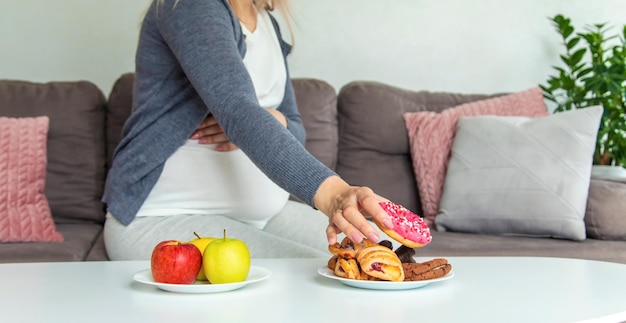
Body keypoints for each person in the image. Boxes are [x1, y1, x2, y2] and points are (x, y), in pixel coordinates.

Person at [102, 0, 394, 260]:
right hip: (163, 217)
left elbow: (295, 127)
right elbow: (237, 109)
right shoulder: (190, 6)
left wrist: (273, 119)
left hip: (264, 216)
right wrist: (333, 193)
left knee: (387, 251)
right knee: (322, 276)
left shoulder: (267, 21)